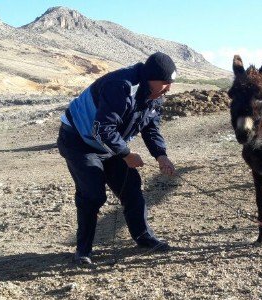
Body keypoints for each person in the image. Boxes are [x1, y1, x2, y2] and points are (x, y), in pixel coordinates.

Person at [57, 52, 177, 265]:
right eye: (165, 83)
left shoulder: (155, 96)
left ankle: (143, 237)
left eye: (171, 83)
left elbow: (151, 128)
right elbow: (103, 128)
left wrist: (161, 155)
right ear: (149, 78)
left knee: (130, 186)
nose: (169, 88)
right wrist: (126, 154)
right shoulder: (121, 86)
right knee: (92, 192)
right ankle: (83, 250)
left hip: (109, 143)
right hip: (78, 141)